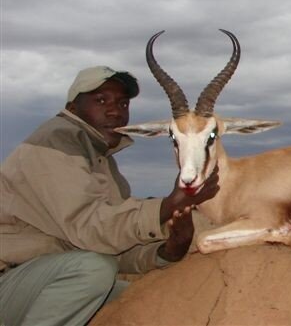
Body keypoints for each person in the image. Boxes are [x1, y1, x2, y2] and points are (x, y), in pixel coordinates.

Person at [0, 65, 219, 326]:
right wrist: (169, 204)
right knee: (93, 271)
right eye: (101, 100)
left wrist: (168, 250)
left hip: (38, 281)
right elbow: (91, 231)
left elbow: (109, 249)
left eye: (123, 103)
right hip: (10, 279)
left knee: (142, 300)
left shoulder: (100, 160)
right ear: (72, 108)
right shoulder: (56, 139)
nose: (116, 111)